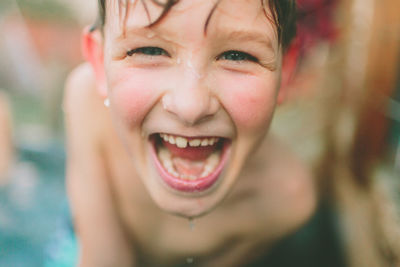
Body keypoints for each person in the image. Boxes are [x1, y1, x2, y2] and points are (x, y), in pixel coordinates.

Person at [63, 0, 320, 266]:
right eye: (149, 49)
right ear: (99, 62)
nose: (191, 107)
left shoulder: (287, 201)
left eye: (237, 56)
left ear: (286, 72)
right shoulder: (86, 102)